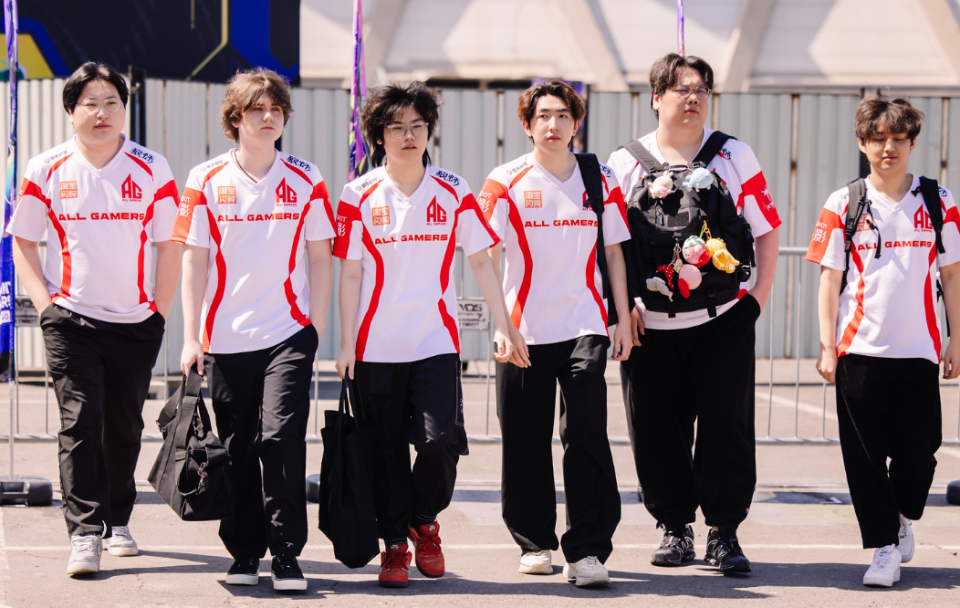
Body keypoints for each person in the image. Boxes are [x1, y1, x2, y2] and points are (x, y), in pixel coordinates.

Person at [333, 81, 518, 589]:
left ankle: (424, 519)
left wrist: (504, 325)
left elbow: (480, 259)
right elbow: (350, 274)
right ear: (379, 136)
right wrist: (346, 344)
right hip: (375, 346)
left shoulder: (453, 189)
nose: (408, 135)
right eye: (396, 127)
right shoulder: (356, 194)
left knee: (440, 442)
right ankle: (395, 543)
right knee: (385, 450)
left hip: (436, 342)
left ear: (428, 130)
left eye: (417, 126)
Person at [606, 53, 781, 574]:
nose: (693, 98)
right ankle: (675, 527)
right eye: (682, 89)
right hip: (649, 325)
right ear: (656, 98)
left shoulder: (733, 154)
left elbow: (766, 229)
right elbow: (608, 246)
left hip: (722, 319)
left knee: (728, 426)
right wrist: (621, 311)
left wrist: (756, 299)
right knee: (656, 429)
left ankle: (723, 532)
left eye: (702, 89)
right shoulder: (624, 162)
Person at [7, 62, 181, 575]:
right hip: (71, 321)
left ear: (124, 109)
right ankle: (85, 532)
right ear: (71, 110)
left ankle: (117, 520)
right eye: (90, 103)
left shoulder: (152, 167)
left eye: (112, 103)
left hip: (136, 322)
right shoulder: (46, 167)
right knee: (80, 422)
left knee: (124, 427)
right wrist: (47, 307)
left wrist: (158, 312)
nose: (102, 113)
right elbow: (23, 241)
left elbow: (170, 245)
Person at [175, 68, 334, 592]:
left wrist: (314, 327)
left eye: (276, 109)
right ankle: (244, 550)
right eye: (257, 109)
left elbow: (321, 257)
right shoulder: (204, 179)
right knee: (237, 445)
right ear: (235, 118)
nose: (268, 117)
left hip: (288, 334)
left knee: (281, 438)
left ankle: (286, 552)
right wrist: (192, 337)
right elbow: (194, 260)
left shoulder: (306, 177)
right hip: (224, 339)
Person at [477, 80, 633, 587]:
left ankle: (587, 550)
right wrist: (502, 327)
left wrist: (621, 317)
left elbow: (614, 251)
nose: (553, 124)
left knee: (586, 434)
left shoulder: (599, 176)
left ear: (575, 122)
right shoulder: (504, 180)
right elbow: (485, 255)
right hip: (524, 330)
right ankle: (534, 542)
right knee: (524, 437)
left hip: (586, 325)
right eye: (543, 116)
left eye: (563, 115)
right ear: (527, 125)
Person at [807, 96, 960, 588]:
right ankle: (884, 548)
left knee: (920, 454)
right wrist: (828, 346)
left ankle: (902, 515)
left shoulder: (939, 200)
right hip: (859, 353)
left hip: (919, 351)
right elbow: (830, 279)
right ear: (862, 143)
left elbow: (952, 276)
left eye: (897, 138)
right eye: (877, 139)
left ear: (912, 143)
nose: (887, 147)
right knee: (865, 458)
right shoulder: (843, 202)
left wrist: (956, 338)